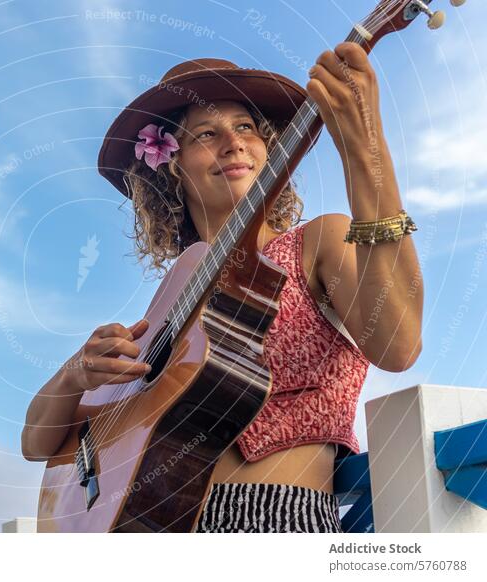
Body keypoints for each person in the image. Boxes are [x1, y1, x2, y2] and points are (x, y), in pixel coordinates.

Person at [22, 43, 423, 533]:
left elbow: (399, 345)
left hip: (274, 517)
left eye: (246, 127)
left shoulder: (317, 242)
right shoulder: (174, 292)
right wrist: (74, 375)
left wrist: (366, 149)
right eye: (206, 134)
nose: (233, 144)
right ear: (172, 168)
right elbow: (37, 443)